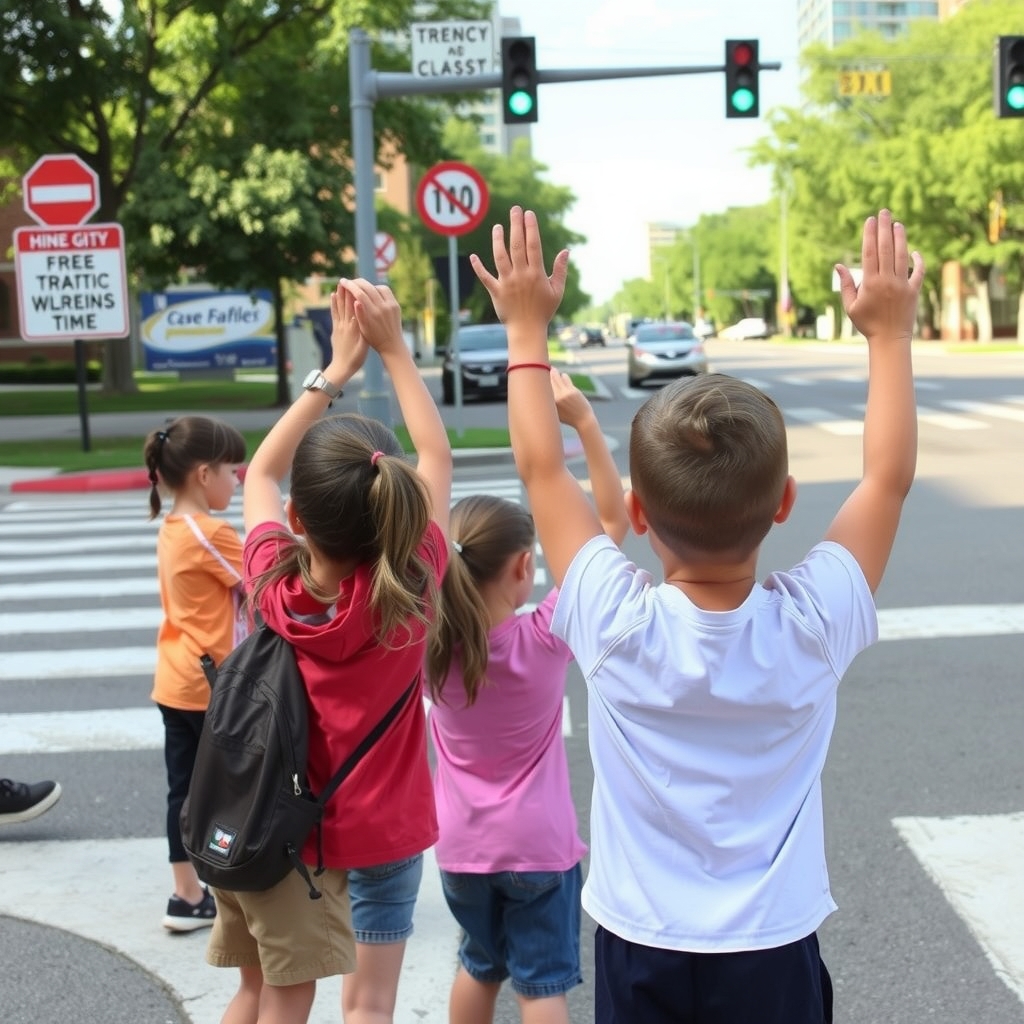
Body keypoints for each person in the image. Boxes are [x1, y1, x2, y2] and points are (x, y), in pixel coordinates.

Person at [471, 207, 923, 1024]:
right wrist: (889, 337)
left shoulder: (611, 621)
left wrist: (525, 330)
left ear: (636, 513)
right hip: (773, 949)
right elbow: (886, 478)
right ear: (785, 503)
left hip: (640, 944)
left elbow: (540, 468)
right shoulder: (814, 624)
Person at [207, 277, 451, 1024]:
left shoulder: (274, 585)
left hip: (281, 829)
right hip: (384, 829)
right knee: (368, 1005)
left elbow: (263, 473)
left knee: (262, 994)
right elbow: (436, 452)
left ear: (297, 520)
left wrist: (336, 372)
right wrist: (396, 353)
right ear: (401, 513)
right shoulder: (409, 595)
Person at [425, 371, 627, 1024]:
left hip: (460, 845)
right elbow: (612, 525)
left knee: (478, 964)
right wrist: (587, 428)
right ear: (521, 569)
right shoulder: (546, 636)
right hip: (538, 846)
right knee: (543, 984)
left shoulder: (428, 647)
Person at [143, 415, 247, 933]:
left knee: (182, 790)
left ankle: (187, 894)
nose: (240, 479)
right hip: (208, 686)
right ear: (204, 474)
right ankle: (230, 888)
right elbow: (265, 580)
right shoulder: (209, 532)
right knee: (229, 788)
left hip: (175, 679)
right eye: (233, 469)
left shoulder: (173, 527)